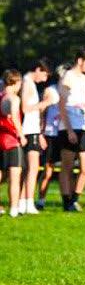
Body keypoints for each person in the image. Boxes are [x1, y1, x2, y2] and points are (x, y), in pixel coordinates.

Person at [58, 47, 85, 212]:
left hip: (82, 125)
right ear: (80, 61)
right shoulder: (68, 77)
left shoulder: (84, 79)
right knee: (67, 166)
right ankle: (67, 201)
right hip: (69, 126)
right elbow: (62, 104)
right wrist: (69, 130)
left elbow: (84, 106)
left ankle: (75, 198)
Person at [19, 59, 51, 214]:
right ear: (38, 69)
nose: (44, 79)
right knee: (32, 168)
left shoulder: (29, 83)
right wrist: (45, 103)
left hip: (32, 130)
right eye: (44, 75)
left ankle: (24, 201)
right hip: (28, 130)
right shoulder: (27, 83)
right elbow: (25, 108)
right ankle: (28, 202)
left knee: (30, 168)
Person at [36, 64, 66, 210]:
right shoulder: (51, 90)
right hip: (51, 134)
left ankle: (68, 200)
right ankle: (41, 199)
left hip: (65, 133)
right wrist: (41, 133)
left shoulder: (70, 91)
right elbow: (42, 112)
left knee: (68, 169)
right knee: (48, 170)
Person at [0, 69, 26, 218]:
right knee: (15, 175)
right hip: (11, 140)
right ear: (16, 82)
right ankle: (14, 208)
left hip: (0, 138)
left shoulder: (1, 96)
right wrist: (21, 134)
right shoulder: (14, 98)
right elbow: (15, 117)